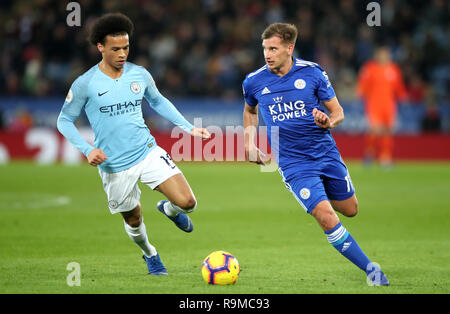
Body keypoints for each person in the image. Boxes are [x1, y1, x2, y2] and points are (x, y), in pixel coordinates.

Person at [57, 13, 210, 275]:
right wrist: (87, 149)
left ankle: (169, 210)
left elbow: (158, 101)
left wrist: (189, 127)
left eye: (126, 47)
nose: (122, 53)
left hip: (146, 151)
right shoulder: (85, 84)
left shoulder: (139, 74)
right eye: (115, 48)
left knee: (188, 203)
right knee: (134, 218)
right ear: (100, 47)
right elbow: (64, 121)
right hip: (114, 165)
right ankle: (150, 253)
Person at [242, 23, 389, 286]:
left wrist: (329, 122)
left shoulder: (312, 73)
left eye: (273, 48)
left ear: (290, 48)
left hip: (325, 153)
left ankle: (318, 197)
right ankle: (372, 271)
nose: (267, 54)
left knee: (350, 209)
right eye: (265, 48)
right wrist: (249, 143)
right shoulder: (254, 81)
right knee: (325, 215)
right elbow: (250, 111)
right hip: (293, 163)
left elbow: (338, 112)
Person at [357, 45, 407, 167]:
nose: (384, 57)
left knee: (388, 131)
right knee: (374, 130)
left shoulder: (394, 69)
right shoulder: (370, 68)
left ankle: (385, 157)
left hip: (389, 105)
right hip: (374, 104)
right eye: (381, 54)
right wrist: (360, 93)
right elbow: (363, 85)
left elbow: (399, 87)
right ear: (377, 56)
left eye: (386, 54)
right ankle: (369, 154)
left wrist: (403, 96)